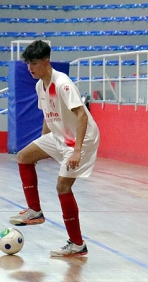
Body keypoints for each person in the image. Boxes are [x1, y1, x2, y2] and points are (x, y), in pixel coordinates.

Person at [9, 40, 100, 257]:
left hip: (81, 140)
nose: (30, 68)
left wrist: (77, 151)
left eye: (34, 63)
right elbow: (47, 114)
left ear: (46, 62)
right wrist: (42, 145)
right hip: (58, 136)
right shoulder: (40, 84)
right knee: (24, 156)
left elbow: (81, 115)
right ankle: (35, 211)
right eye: (28, 64)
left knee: (62, 187)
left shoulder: (62, 84)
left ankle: (77, 244)